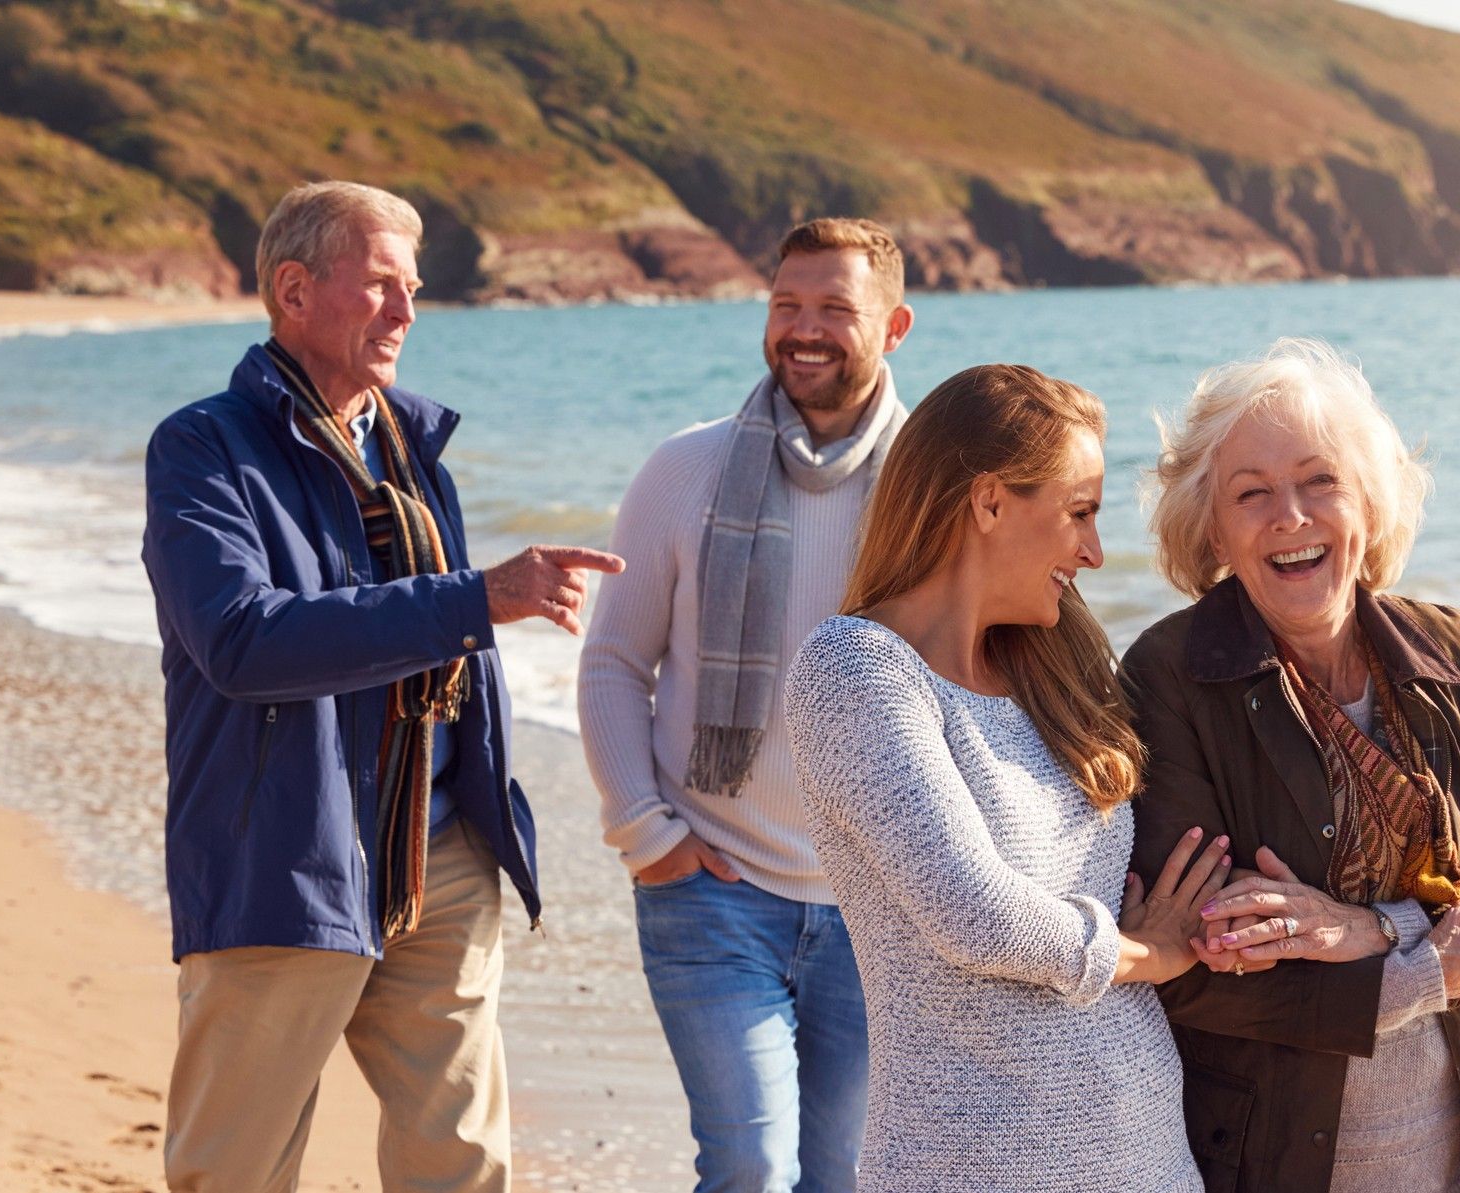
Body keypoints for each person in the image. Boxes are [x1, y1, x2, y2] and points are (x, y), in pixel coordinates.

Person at [141, 180, 623, 1191]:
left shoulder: (410, 443)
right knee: (233, 1169)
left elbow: (437, 638)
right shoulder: (201, 448)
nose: (407, 312)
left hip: (439, 851)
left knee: (461, 1162)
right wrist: (477, 595)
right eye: (380, 287)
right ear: (293, 289)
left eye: (413, 288)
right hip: (284, 854)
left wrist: (492, 817)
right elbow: (241, 640)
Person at [1121, 338, 1460, 1192]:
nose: (1291, 516)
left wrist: (1374, 929)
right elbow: (1192, 970)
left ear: (1368, 504)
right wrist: (1426, 972)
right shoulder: (1170, 675)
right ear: (1214, 527)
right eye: (1252, 493)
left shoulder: (1457, 652)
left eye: (1320, 481)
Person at [783, 363, 1223, 1192]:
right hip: (974, 1168)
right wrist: (1147, 953)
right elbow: (977, 916)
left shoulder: (1055, 665)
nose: (1093, 551)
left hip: (1148, 1154)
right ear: (988, 502)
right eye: (1078, 514)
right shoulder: (856, 671)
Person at [578, 217, 912, 1192]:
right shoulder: (685, 469)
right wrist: (647, 833)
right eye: (784, 305)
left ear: (891, 327)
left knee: (842, 1176)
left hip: (875, 904)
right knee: (749, 1166)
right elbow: (611, 662)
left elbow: (987, 679)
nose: (802, 329)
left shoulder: (936, 486)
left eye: (832, 310)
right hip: (712, 891)